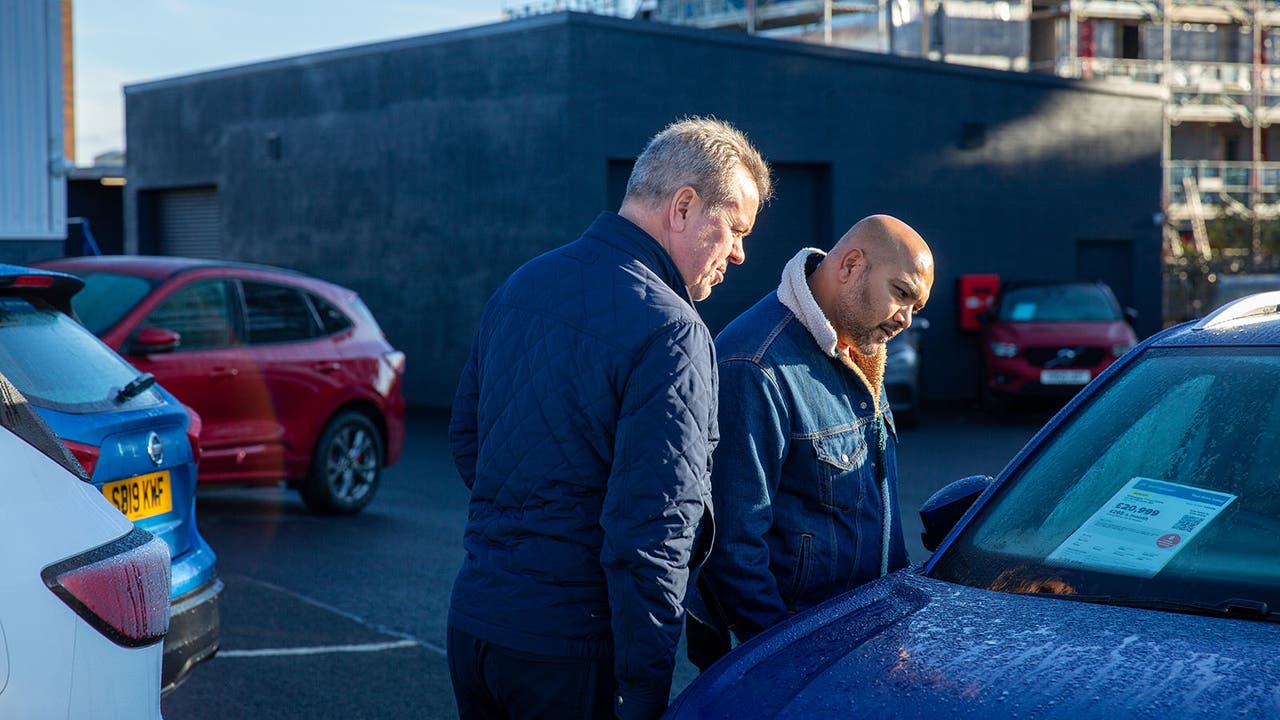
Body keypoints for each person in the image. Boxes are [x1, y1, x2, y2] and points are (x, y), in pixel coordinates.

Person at [447, 117, 771, 720]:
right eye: (735, 230)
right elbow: (656, 533)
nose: (740, 254)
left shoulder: (522, 283)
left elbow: (468, 441)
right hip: (572, 652)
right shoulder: (673, 331)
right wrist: (644, 692)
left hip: (475, 629)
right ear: (684, 207)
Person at [688, 215, 934, 666]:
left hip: (866, 643)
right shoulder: (754, 364)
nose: (906, 319)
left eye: (917, 307)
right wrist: (787, 658)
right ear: (851, 265)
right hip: (802, 659)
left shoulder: (860, 350)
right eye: (901, 293)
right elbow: (732, 546)